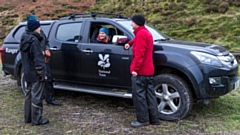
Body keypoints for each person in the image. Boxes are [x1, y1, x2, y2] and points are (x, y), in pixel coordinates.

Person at [124, 14, 159, 128]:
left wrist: (135, 70)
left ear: (136, 23)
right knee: (150, 95)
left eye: (132, 22)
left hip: (141, 72)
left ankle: (143, 120)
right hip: (149, 71)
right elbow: (138, 40)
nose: (131, 24)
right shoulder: (145, 32)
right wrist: (130, 43)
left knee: (139, 96)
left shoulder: (140, 34)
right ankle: (154, 119)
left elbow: (139, 54)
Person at [27, 15, 61, 106]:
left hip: (44, 59)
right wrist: (40, 52)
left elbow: (46, 42)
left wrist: (46, 49)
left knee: (48, 78)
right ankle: (39, 99)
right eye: (36, 21)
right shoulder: (29, 36)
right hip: (37, 60)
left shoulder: (41, 32)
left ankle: (50, 99)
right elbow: (31, 49)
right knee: (39, 81)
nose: (39, 24)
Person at [20, 19, 49, 126]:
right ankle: (37, 120)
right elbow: (38, 60)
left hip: (27, 72)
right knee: (37, 96)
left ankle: (28, 118)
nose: (40, 29)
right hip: (35, 73)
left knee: (29, 95)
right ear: (34, 28)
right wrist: (42, 74)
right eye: (38, 27)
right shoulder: (34, 41)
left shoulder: (24, 38)